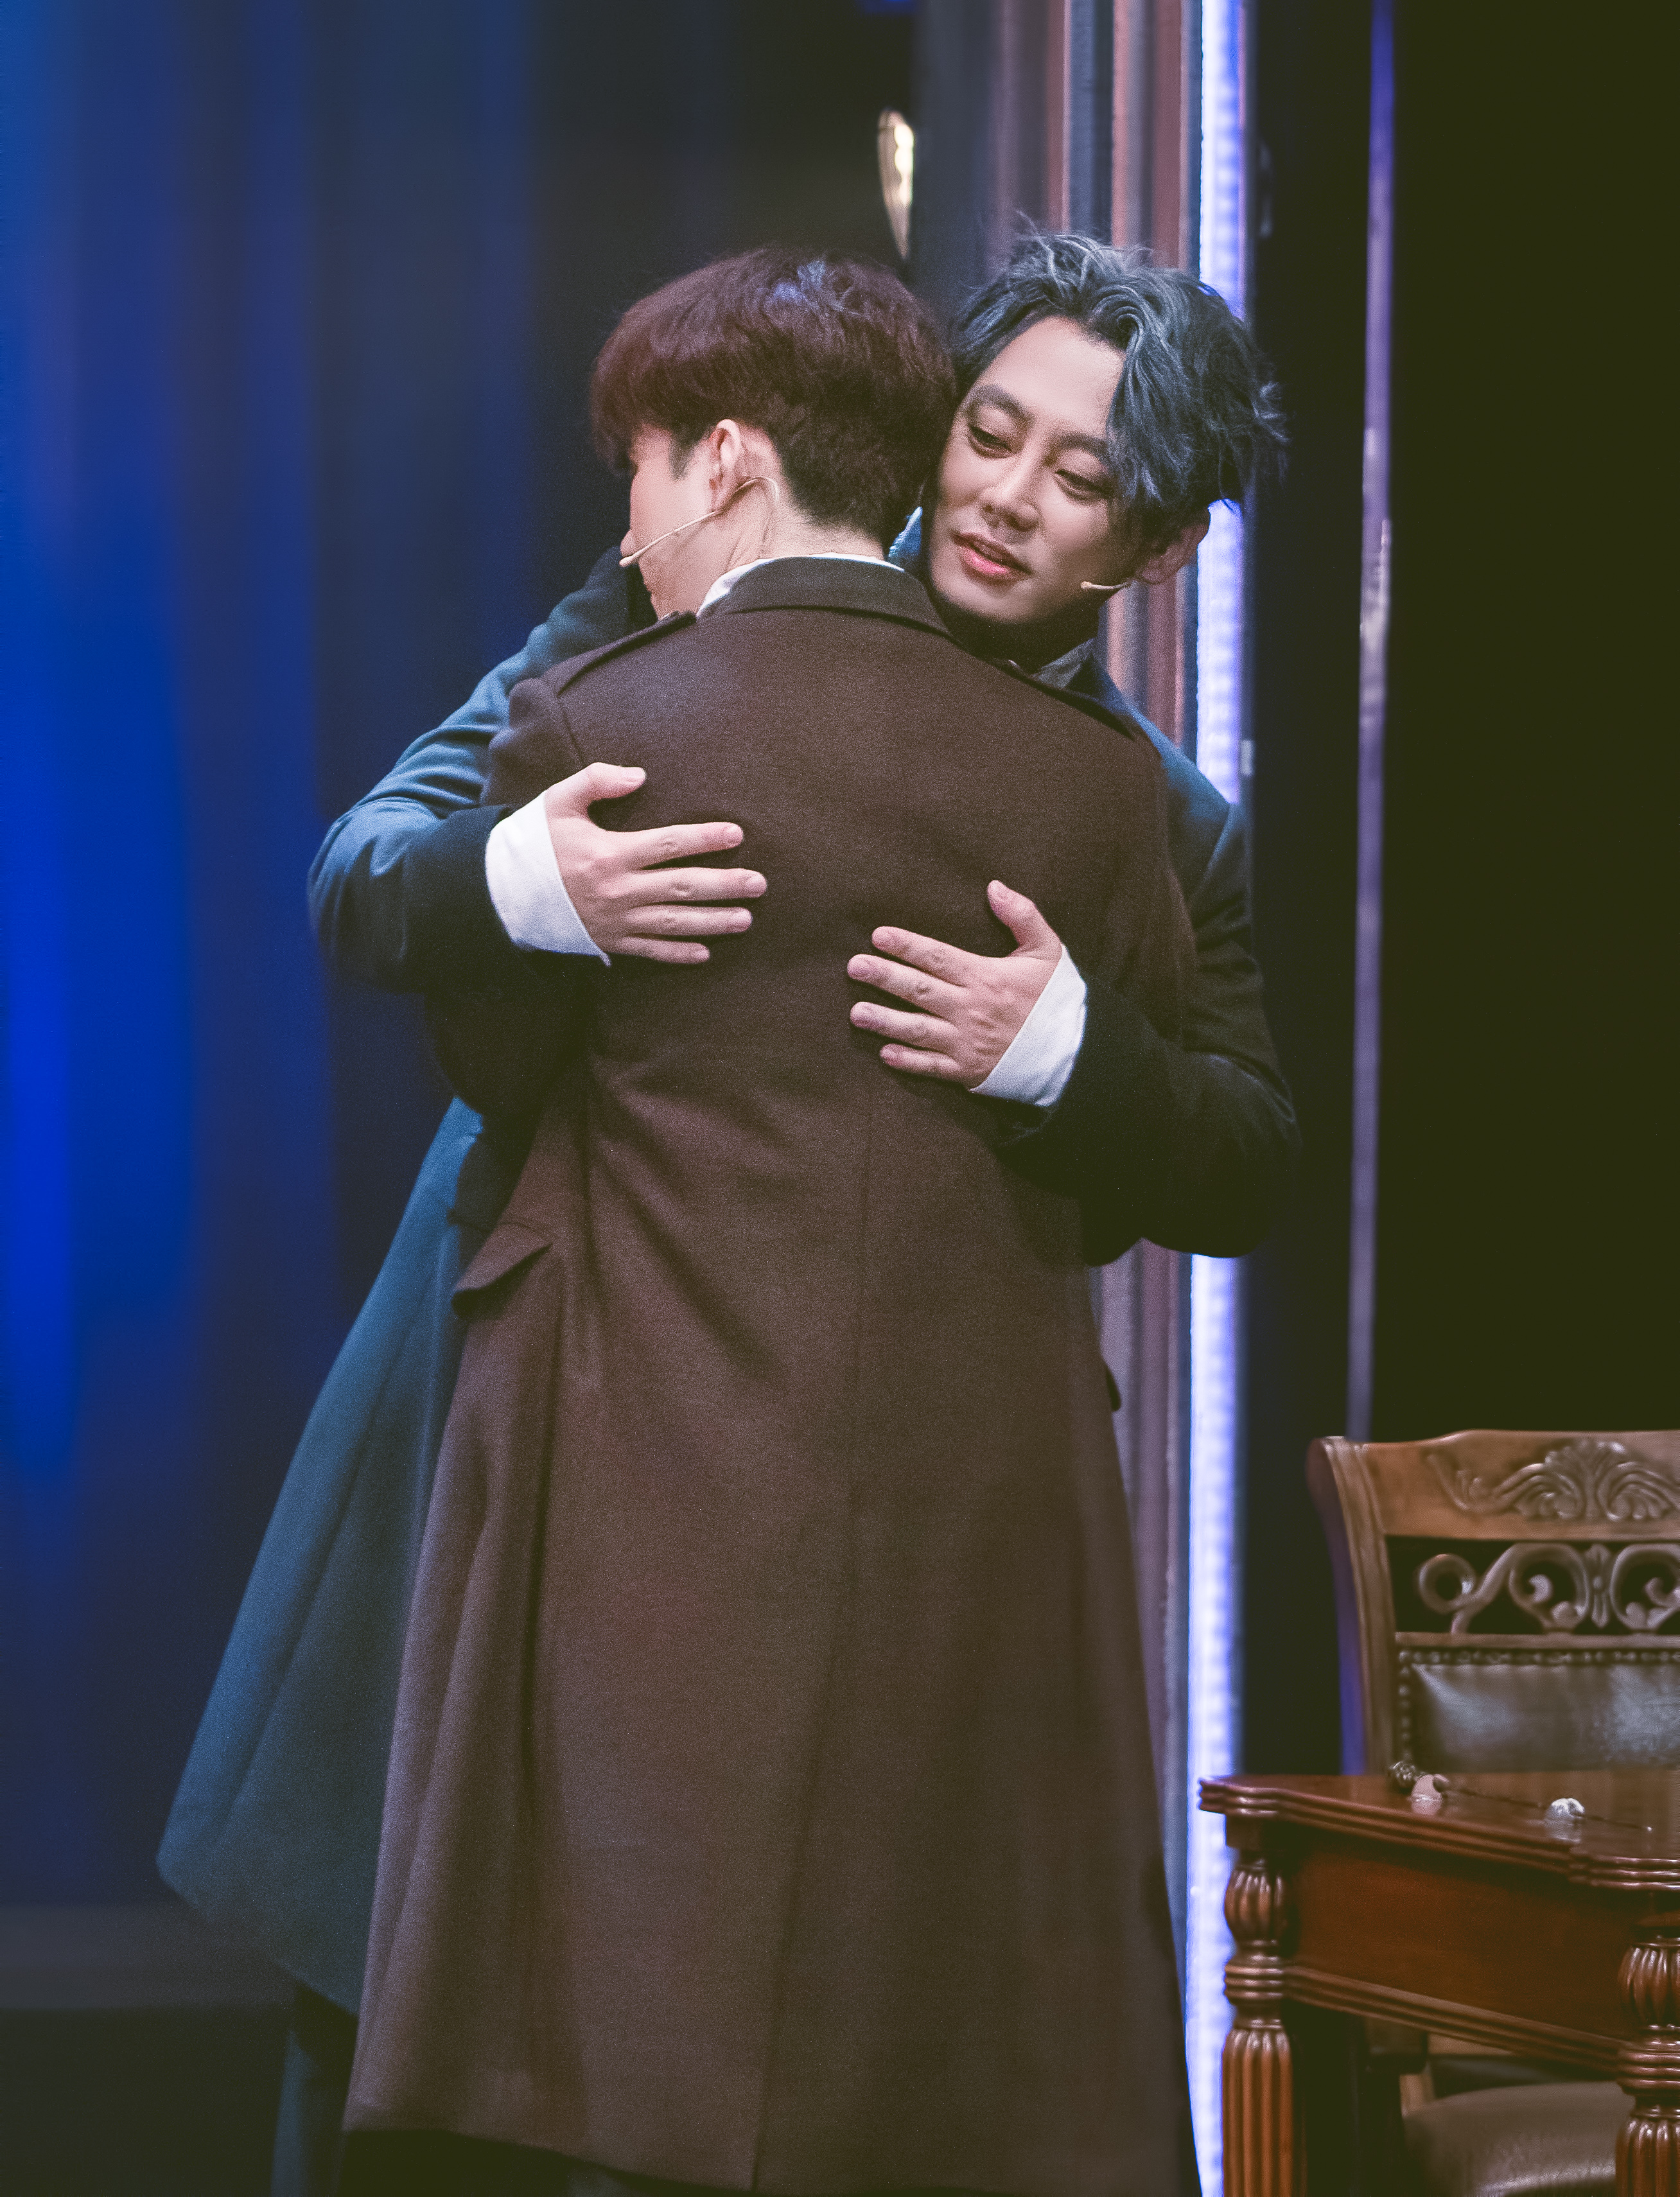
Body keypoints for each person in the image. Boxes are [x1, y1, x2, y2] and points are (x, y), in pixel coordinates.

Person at [156, 233, 1293, 2193]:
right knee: (402, 1989)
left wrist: (1072, 1056)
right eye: (989, 430)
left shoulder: (1152, 823)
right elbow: (370, 860)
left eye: (1080, 476)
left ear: (1163, 547)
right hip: (533, 1394)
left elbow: (1252, 1155)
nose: (1002, 495)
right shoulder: (661, 605)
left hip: (879, 1524)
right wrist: (518, 883)